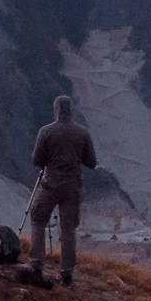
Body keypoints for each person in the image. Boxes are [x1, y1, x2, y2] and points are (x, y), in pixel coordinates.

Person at [24, 94, 96, 288]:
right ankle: (67, 273)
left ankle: (36, 265)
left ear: (55, 109)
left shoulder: (46, 131)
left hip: (50, 184)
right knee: (68, 229)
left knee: (38, 219)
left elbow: (37, 160)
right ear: (71, 111)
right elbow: (92, 162)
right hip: (73, 187)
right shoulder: (82, 133)